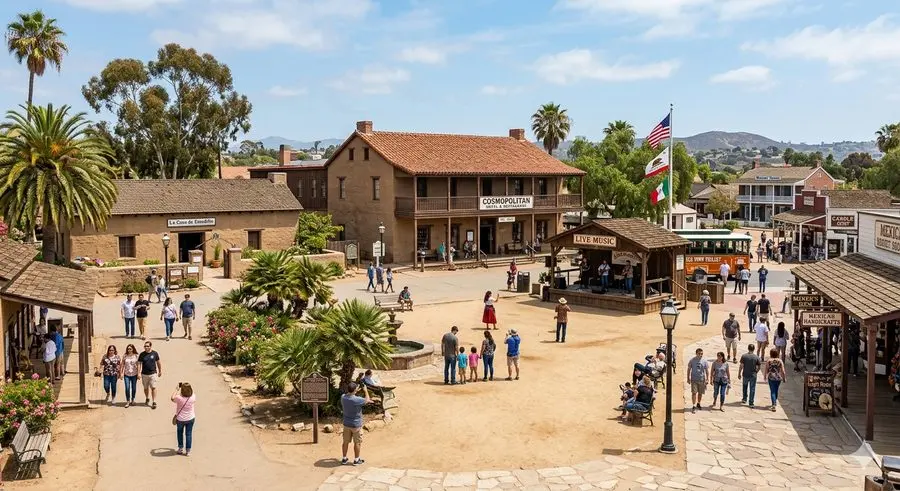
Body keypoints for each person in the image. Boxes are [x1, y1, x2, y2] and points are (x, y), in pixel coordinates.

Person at [341, 382, 372, 466]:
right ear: (355, 390)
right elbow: (367, 400)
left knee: (345, 442)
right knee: (357, 442)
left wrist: (355, 391)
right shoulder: (357, 400)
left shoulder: (343, 397)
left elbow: (350, 395)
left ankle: (344, 458)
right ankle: (356, 459)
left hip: (346, 424)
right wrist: (365, 391)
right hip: (356, 425)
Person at [172, 382, 196, 456]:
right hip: (190, 418)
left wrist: (177, 389)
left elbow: (172, 398)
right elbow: (192, 392)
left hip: (180, 419)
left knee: (180, 433)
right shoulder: (193, 397)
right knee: (188, 434)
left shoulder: (179, 398)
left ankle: (180, 448)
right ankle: (188, 451)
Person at [138, 341, 162, 409]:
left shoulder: (155, 353)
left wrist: (160, 371)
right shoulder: (142, 354)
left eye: (148, 346)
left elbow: (158, 362)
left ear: (150, 346)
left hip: (153, 373)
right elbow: (139, 363)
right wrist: (138, 373)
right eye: (145, 346)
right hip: (144, 374)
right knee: (145, 388)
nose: (146, 347)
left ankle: (154, 401)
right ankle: (147, 398)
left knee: (153, 387)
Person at [687, 348, 709, 414]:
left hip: (702, 379)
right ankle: (693, 405)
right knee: (694, 393)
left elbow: (707, 371)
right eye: (699, 354)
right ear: (696, 353)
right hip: (694, 379)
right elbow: (689, 369)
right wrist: (688, 378)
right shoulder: (692, 360)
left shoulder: (704, 361)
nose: (700, 355)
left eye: (701, 354)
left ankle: (698, 403)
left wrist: (707, 379)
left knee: (700, 393)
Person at [120, 344, 139, 408]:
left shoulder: (136, 356)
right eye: (128, 349)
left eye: (130, 349)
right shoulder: (125, 356)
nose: (129, 350)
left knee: (134, 388)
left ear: (133, 349)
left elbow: (139, 365)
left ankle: (133, 399)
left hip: (134, 374)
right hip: (126, 374)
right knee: (127, 388)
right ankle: (128, 401)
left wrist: (139, 373)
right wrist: (121, 373)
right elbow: (122, 365)